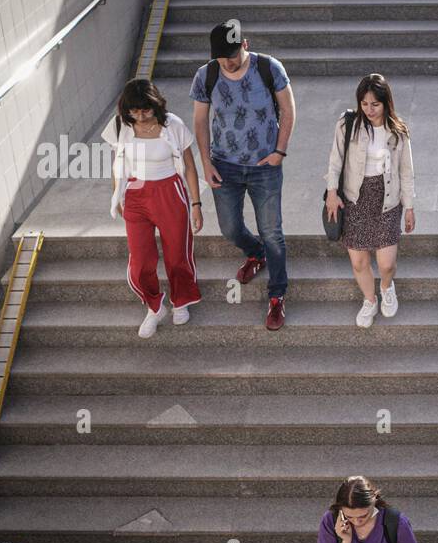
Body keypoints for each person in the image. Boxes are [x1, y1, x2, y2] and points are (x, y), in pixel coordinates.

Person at [191, 22, 296, 330]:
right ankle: (255, 253)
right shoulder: (206, 75)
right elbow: (199, 121)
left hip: (265, 165)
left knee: (272, 231)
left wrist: (279, 152)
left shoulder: (269, 67)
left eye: (233, 55)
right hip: (225, 165)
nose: (228, 63)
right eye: (222, 58)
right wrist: (205, 162)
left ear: (245, 44)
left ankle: (277, 295)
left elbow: (288, 110)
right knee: (229, 228)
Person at [103, 79, 202, 339]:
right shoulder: (120, 126)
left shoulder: (173, 125)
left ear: (155, 104)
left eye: (145, 110)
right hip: (136, 195)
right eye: (134, 112)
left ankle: (181, 300)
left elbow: (190, 166)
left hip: (170, 192)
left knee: (177, 254)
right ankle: (154, 306)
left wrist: (196, 204)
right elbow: (118, 165)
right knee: (140, 261)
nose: (140, 116)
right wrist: (119, 196)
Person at [323, 74, 416, 328]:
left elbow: (406, 171)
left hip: (387, 199)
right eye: (364, 104)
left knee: (387, 264)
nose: (369, 109)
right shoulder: (347, 124)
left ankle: (387, 287)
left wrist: (409, 207)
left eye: (375, 104)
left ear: (386, 103)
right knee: (359, 261)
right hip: (355, 199)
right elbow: (335, 160)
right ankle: (369, 299)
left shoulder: (398, 131)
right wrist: (332, 192)